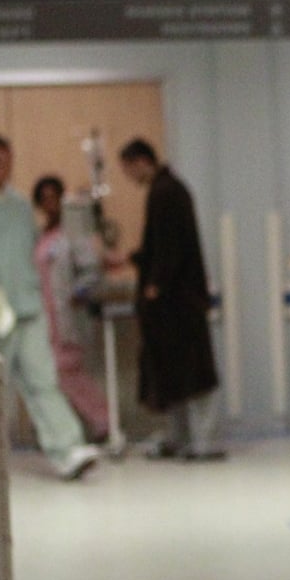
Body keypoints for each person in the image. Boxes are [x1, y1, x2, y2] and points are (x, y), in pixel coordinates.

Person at [0, 135, 102, 481]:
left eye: (7, 162)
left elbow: (32, 254)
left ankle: (68, 450)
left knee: (43, 381)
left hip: (28, 309)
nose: (2, 169)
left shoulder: (19, 207)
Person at [118, 138, 224, 461]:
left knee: (193, 374)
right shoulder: (168, 189)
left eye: (128, 169)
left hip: (178, 301)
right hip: (175, 300)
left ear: (141, 162)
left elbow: (169, 247)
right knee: (176, 374)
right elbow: (159, 246)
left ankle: (201, 440)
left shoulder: (166, 192)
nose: (129, 176)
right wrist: (134, 259)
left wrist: (155, 285)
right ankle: (183, 438)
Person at [32, 175, 112, 443]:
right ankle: (87, 424)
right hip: (47, 316)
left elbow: (91, 269)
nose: (50, 204)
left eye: (54, 198)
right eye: (44, 199)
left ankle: (103, 419)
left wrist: (78, 293)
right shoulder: (41, 237)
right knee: (57, 373)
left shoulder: (73, 234)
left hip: (68, 314)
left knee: (67, 370)